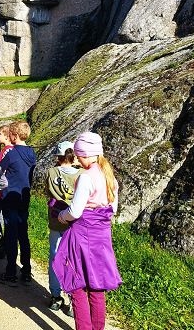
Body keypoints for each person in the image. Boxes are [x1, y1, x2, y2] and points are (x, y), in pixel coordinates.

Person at [54, 132, 122, 330]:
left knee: (76, 284)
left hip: (82, 235)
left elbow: (75, 211)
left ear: (84, 154)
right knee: (96, 287)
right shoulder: (109, 176)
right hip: (102, 235)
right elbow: (113, 208)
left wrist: (61, 215)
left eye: (78, 155)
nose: (78, 159)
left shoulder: (86, 177)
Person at [0, 120, 36, 286]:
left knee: (11, 234)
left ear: (14, 135)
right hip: (24, 197)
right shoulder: (32, 153)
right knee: (23, 234)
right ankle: (26, 270)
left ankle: (10, 271)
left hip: (10, 197)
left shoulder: (11, 154)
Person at [46, 140, 82, 316]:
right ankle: (73, 298)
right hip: (74, 223)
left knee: (55, 256)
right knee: (73, 260)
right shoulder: (82, 175)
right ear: (73, 156)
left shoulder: (51, 172)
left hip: (55, 219)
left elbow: (48, 191)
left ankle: (55, 296)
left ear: (58, 157)